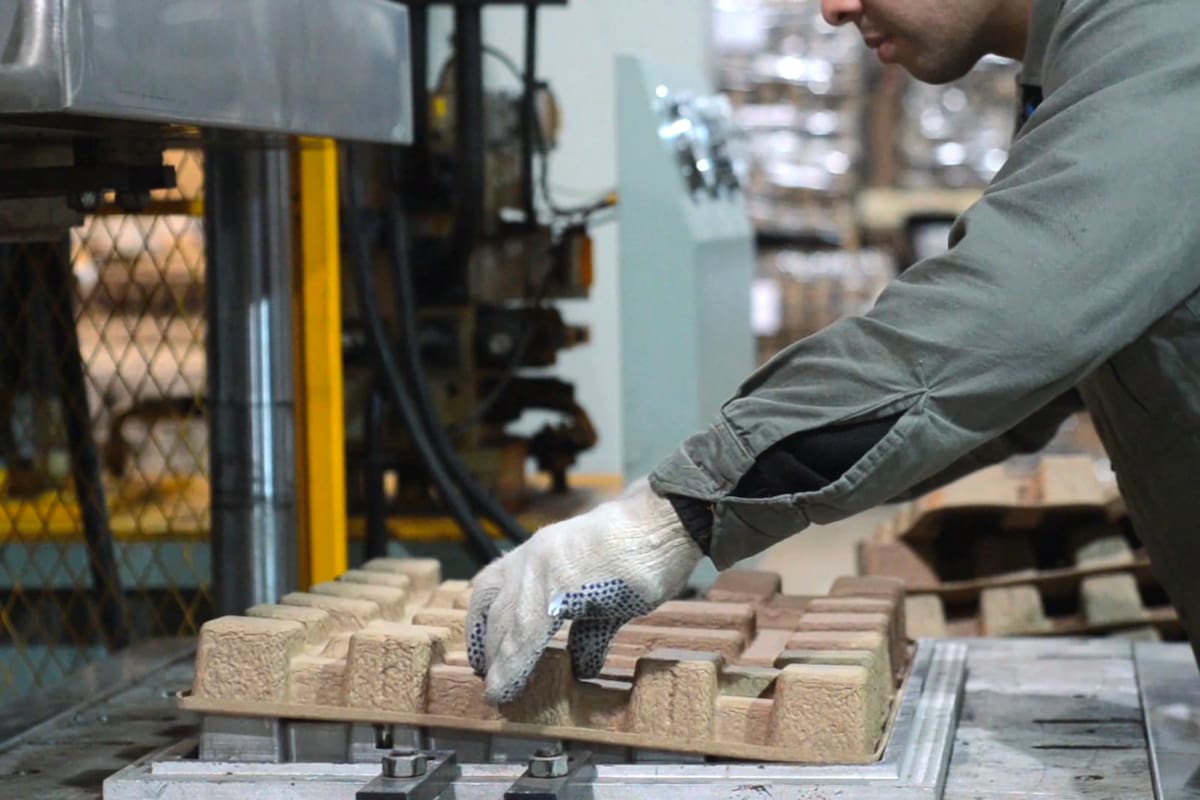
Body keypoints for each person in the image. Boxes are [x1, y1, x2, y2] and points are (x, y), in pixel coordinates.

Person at [467, 0, 1200, 704]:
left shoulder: (1161, 33)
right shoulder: (1073, 69)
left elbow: (999, 321)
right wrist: (703, 497)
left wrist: (675, 517)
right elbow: (1017, 386)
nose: (832, 8)